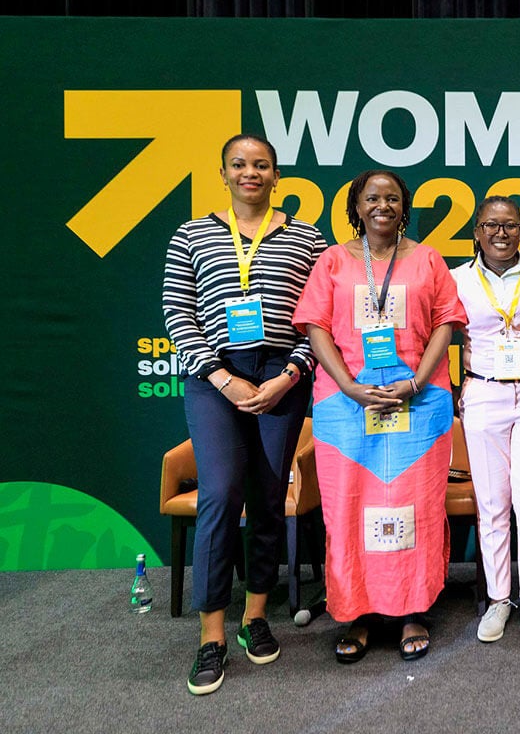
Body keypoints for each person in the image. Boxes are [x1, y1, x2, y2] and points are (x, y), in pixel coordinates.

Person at [163, 134, 326, 696]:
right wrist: (223, 379)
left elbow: (318, 322)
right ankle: (211, 635)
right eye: (239, 164)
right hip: (214, 378)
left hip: (281, 374)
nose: (250, 172)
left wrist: (288, 375)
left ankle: (256, 615)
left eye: (261, 165)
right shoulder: (192, 234)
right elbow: (177, 313)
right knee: (220, 494)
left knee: (266, 495)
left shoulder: (307, 239)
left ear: (276, 175)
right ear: (224, 172)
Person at [293, 169, 466, 664]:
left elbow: (445, 324)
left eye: (392, 198)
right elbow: (316, 327)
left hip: (417, 405)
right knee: (349, 511)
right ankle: (357, 613)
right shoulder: (332, 261)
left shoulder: (427, 259)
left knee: (416, 507)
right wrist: (350, 385)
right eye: (373, 198)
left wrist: (415, 382)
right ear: (357, 206)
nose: (383, 206)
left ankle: (413, 609)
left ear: (403, 207)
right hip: (345, 409)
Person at [451, 195, 520, 646]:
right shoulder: (455, 279)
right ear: (476, 231)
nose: (500, 232)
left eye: (510, 225)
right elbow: (440, 337)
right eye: (491, 225)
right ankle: (499, 599)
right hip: (483, 394)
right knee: (492, 505)